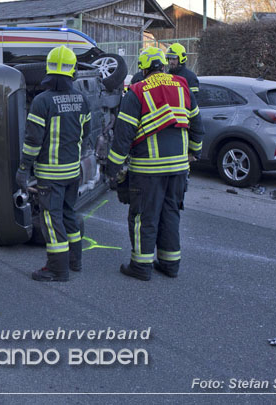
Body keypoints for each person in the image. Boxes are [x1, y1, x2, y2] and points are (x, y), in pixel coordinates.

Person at [106, 46, 204, 281]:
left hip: (148, 171)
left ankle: (141, 266)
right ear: (162, 65)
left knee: (143, 216)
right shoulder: (181, 86)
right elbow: (197, 125)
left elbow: (123, 134)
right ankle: (170, 265)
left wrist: (113, 168)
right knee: (170, 214)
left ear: (143, 68)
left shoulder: (137, 91)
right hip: (179, 169)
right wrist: (194, 153)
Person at [16, 46, 91, 282]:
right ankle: (75, 261)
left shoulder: (42, 101)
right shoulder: (82, 99)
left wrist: (23, 169)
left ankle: (57, 269)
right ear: (72, 70)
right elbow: (85, 133)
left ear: (49, 69)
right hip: (72, 172)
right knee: (69, 213)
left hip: (50, 174)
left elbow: (32, 141)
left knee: (51, 218)